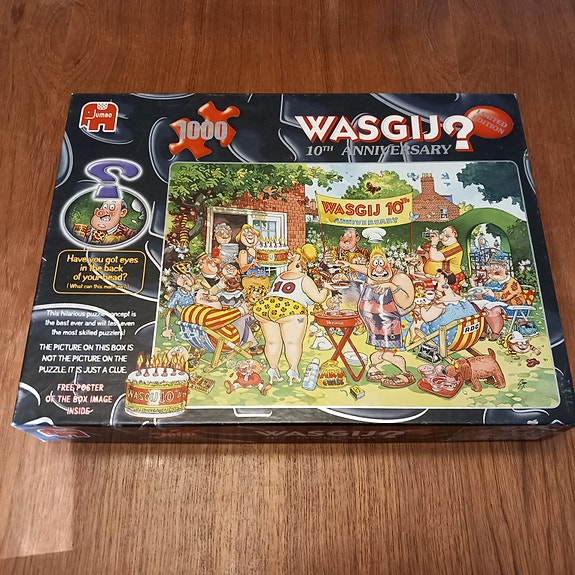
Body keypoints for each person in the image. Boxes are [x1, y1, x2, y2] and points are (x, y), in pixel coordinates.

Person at [253, 244, 330, 385]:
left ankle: (273, 369)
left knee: (272, 342)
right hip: (289, 309)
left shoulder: (281, 276)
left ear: (299, 263)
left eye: (292, 258)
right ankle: (293, 370)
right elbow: (318, 298)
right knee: (292, 343)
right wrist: (325, 289)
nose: (289, 260)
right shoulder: (304, 279)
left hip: (265, 307)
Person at [346, 246, 415, 388]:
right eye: (375, 264)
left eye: (381, 263)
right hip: (373, 322)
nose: (378, 268)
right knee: (380, 350)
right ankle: (373, 367)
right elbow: (363, 269)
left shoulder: (393, 279)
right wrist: (348, 264)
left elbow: (405, 299)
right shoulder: (369, 276)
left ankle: (406, 374)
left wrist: (390, 285)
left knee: (387, 354)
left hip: (389, 321)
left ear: (388, 264)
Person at [469, 254, 526, 340]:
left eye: (497, 268)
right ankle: (483, 331)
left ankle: (495, 333)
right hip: (492, 304)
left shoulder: (512, 283)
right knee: (477, 308)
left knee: (493, 310)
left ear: (505, 268)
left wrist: (492, 294)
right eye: (491, 268)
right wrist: (475, 287)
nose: (494, 271)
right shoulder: (490, 282)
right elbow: (483, 296)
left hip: (512, 307)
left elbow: (505, 296)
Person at [422, 225, 464, 293]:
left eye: (447, 235)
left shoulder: (455, 249)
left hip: (449, 279)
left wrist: (434, 244)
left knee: (448, 296)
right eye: (442, 233)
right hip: (439, 278)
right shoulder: (446, 247)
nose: (443, 236)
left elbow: (434, 257)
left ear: (454, 234)